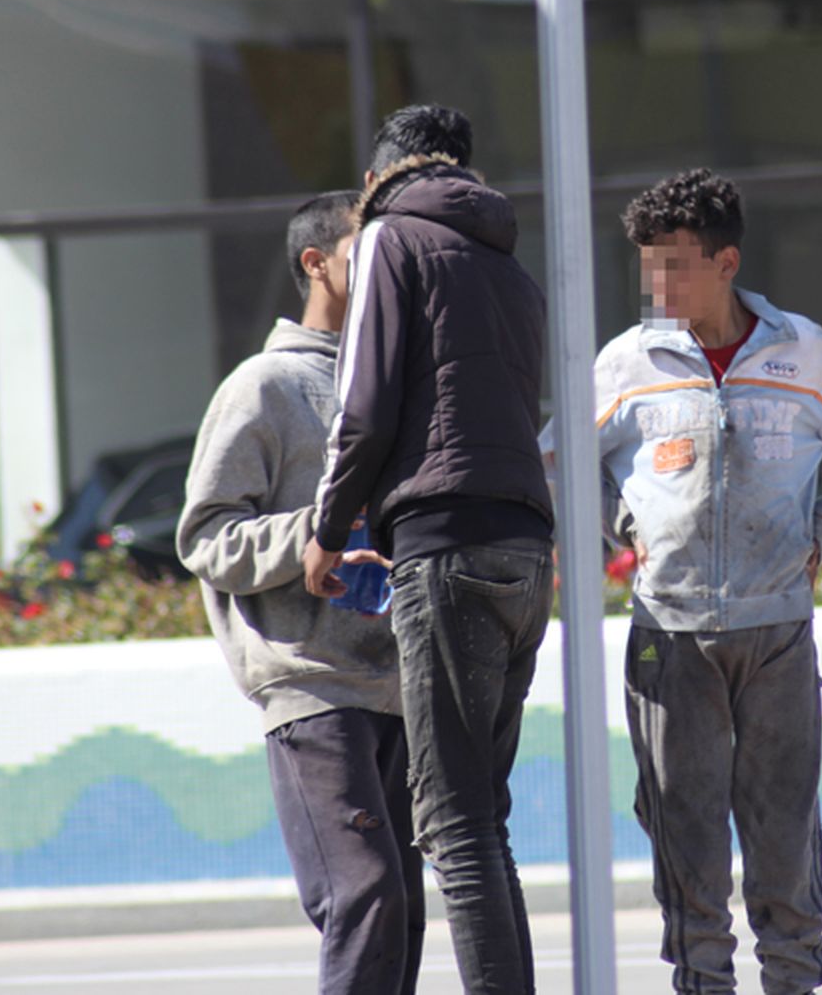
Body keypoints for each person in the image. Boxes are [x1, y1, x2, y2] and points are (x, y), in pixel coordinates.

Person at [592, 168, 822, 994]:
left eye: (677, 265)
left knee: (784, 836)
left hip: (778, 636)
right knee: (685, 837)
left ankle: (794, 980)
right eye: (648, 267)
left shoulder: (804, 352)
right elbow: (557, 463)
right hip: (669, 638)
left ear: (727, 262)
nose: (658, 285)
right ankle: (702, 983)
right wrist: (624, 528)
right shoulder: (625, 364)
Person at [301, 104, 555, 995]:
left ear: (378, 178)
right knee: (482, 818)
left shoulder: (390, 240)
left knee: (451, 823)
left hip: (445, 547)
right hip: (527, 553)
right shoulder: (507, 264)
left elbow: (360, 406)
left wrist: (327, 532)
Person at [177, 190, 423, 995]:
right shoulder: (264, 387)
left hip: (400, 683)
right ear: (316, 264)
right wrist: (316, 535)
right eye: (366, 252)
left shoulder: (398, 381)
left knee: (405, 908)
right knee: (364, 893)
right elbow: (204, 538)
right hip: (311, 684)